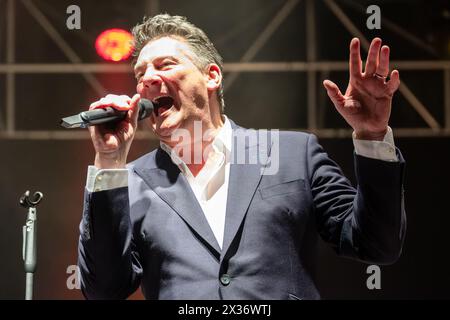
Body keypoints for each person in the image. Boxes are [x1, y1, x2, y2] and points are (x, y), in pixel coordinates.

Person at [78, 14, 406, 300]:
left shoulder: (293, 153)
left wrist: (372, 136)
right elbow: (103, 290)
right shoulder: (130, 181)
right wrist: (109, 160)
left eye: (165, 65)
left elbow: (376, 245)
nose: (146, 79)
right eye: (140, 74)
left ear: (212, 76)